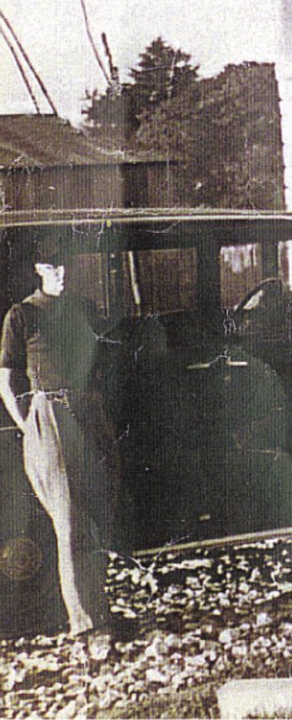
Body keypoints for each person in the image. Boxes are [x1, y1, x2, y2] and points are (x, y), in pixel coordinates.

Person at [1, 232, 120, 651]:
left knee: (94, 515)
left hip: (87, 412)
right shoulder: (22, 315)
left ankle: (100, 609)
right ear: (37, 271)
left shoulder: (80, 310)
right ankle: (86, 624)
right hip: (48, 415)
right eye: (52, 266)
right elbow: (7, 378)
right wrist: (28, 421)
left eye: (66, 265)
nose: (62, 273)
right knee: (68, 520)